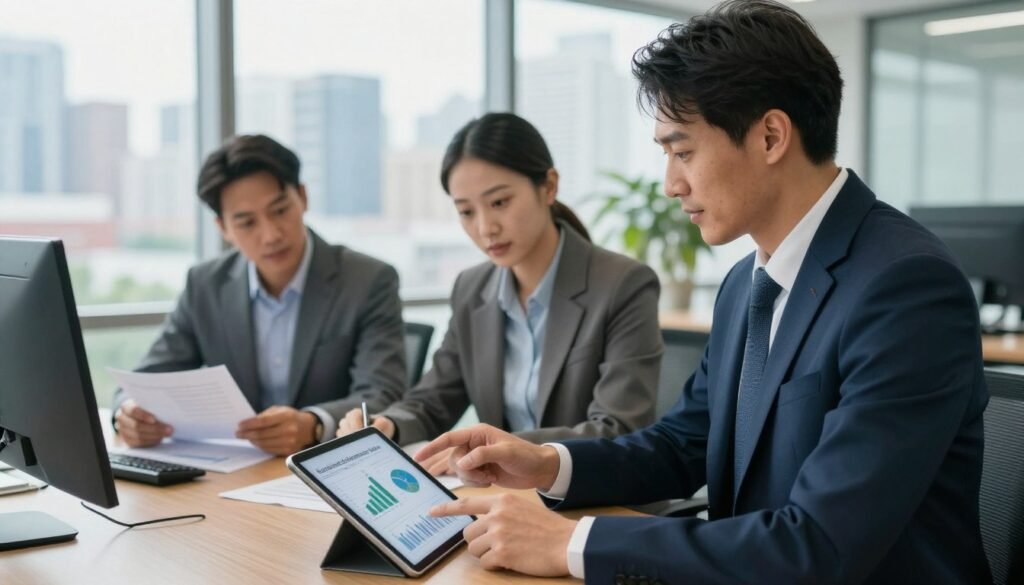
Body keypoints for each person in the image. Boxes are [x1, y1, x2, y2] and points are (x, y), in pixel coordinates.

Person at [416, 2, 992, 583]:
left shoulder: (906, 287)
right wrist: (544, 464)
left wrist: (571, 543)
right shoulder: (748, 283)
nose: (671, 184)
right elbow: (681, 445)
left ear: (770, 135)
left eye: (682, 151)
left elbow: (819, 545)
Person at [338, 113, 664, 475]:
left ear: (549, 186)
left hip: (595, 500)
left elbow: (618, 429)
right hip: (505, 497)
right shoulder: (471, 289)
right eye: (466, 211)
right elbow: (432, 401)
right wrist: (390, 426)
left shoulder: (623, 285)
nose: (485, 227)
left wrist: (493, 451)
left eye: (499, 203)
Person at [112, 134, 407, 456]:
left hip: (331, 466)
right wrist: (128, 412)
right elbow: (147, 377)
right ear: (223, 228)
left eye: (280, 210)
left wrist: (314, 424)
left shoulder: (367, 280)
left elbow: (382, 393)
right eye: (247, 222)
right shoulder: (206, 284)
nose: (270, 235)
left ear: (303, 197)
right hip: (236, 472)